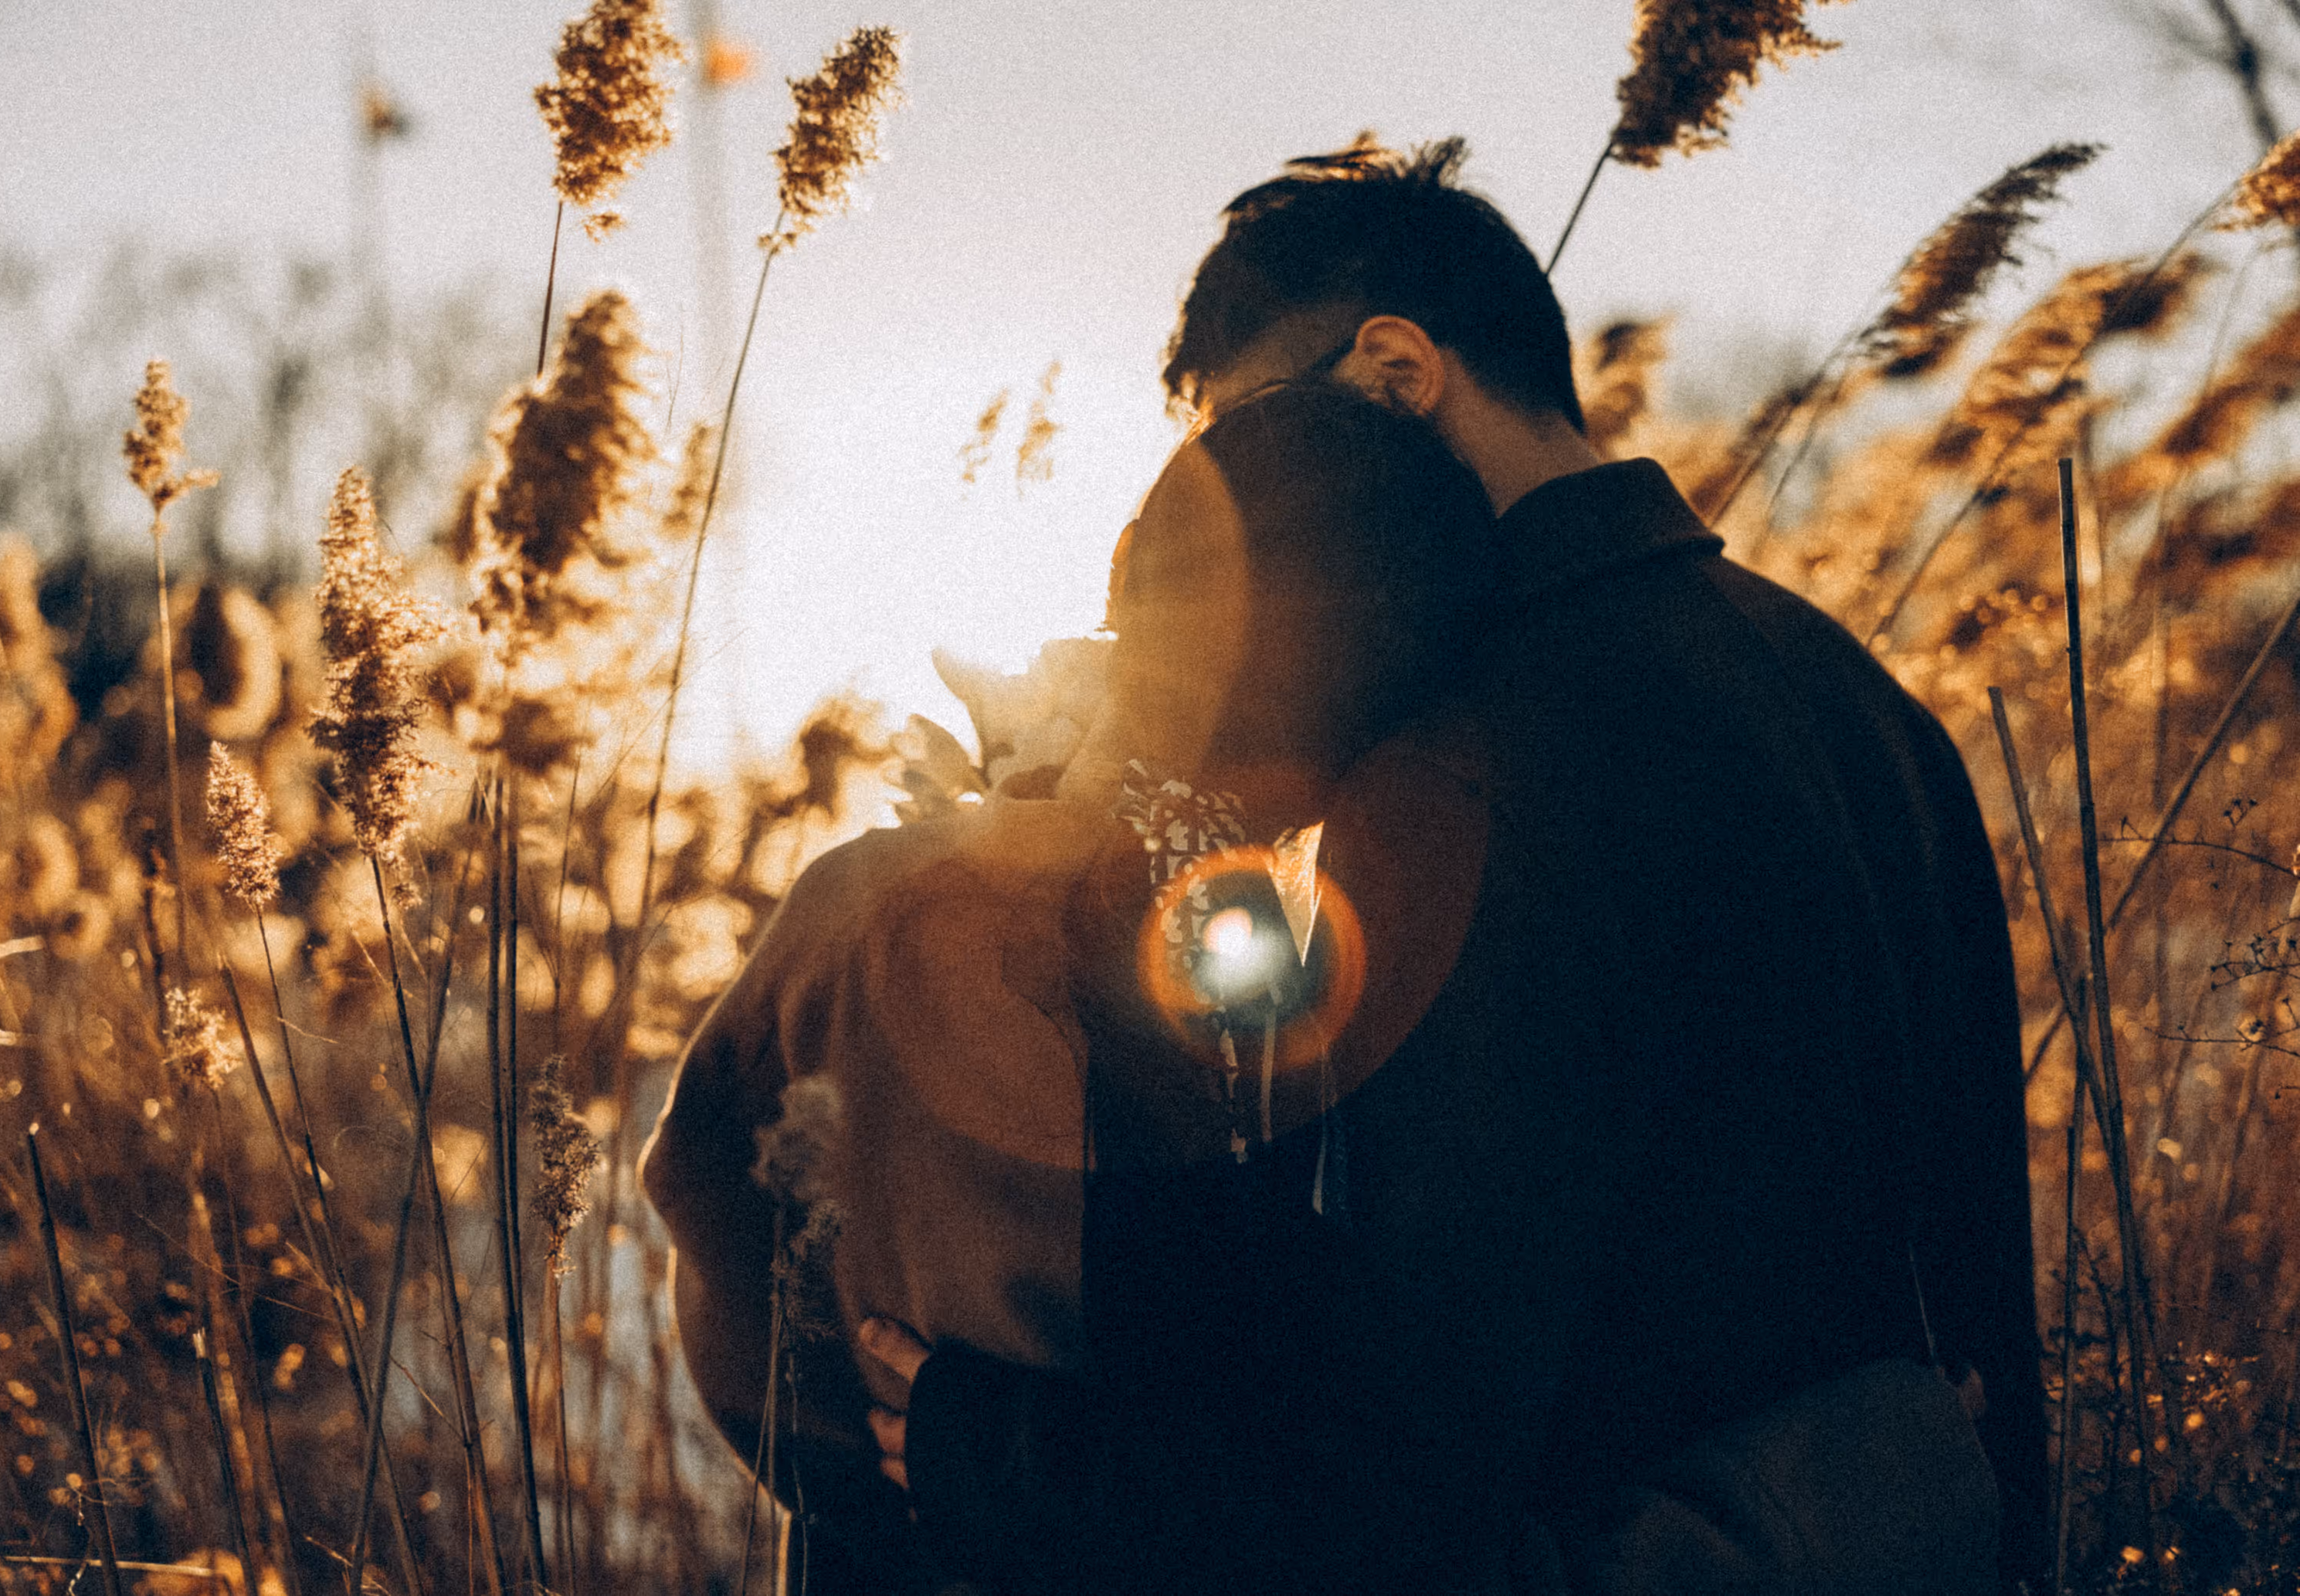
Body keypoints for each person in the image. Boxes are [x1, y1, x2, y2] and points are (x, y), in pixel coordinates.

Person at [855, 138, 2044, 1594]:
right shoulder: (1860, 698)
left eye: (1254, 433)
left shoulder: (1466, 768)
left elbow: (1395, 1468)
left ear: (1397, 373)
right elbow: (1971, 1309)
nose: (1242, 504)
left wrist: (1005, 1460)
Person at [640, 378, 1505, 1594]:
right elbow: (1301, 1481)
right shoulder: (1234, 987)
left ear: (1124, 577)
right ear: (1383, 726)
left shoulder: (862, 900)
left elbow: (705, 1211)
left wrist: (905, 1471)